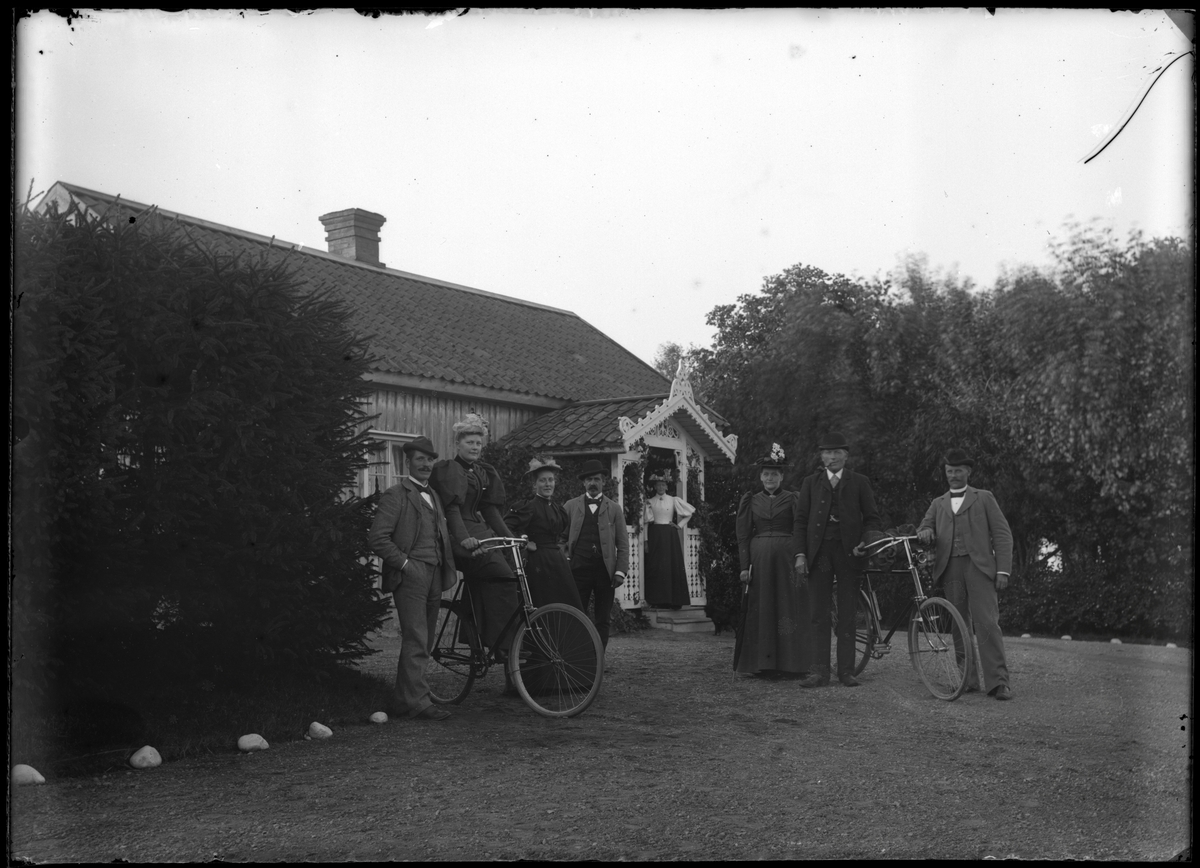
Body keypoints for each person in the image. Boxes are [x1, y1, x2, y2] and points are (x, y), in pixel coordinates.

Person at [368, 436, 459, 721]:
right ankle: (418, 702)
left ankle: (403, 700)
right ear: (408, 462)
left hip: (435, 573)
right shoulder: (396, 494)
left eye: (430, 459)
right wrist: (406, 564)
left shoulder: (434, 495)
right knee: (416, 637)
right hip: (411, 575)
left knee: (425, 639)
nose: (426, 464)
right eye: (420, 459)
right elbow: (377, 538)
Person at [916, 448, 1015, 701]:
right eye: (949, 471)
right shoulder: (938, 503)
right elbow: (925, 526)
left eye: (958, 471)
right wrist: (925, 531)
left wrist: (1003, 570)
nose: (953, 475)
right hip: (950, 568)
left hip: (980, 567)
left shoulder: (984, 498)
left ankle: (998, 682)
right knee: (958, 624)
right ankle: (966, 680)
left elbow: (1002, 534)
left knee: (987, 623)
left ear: (968, 472)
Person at [795, 432, 882, 688]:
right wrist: (800, 554)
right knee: (818, 614)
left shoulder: (859, 482)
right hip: (819, 554)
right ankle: (818, 673)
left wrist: (865, 542)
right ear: (821, 457)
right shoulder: (810, 483)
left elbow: (872, 519)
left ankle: (846, 672)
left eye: (836, 453)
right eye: (827, 453)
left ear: (845, 456)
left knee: (847, 615)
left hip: (850, 554)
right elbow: (800, 522)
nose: (831, 457)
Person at [429, 414, 518, 658]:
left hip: (480, 533)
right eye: (470, 442)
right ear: (457, 443)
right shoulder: (450, 470)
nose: (475, 447)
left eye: (479, 443)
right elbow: (452, 510)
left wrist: (510, 539)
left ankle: (479, 640)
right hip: (457, 536)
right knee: (502, 577)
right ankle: (505, 647)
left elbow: (490, 511)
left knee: (495, 579)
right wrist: (463, 540)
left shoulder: (482, 471)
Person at [734, 443, 811, 677]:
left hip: (786, 561)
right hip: (759, 562)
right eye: (766, 474)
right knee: (762, 607)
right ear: (760, 476)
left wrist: (801, 555)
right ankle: (761, 665)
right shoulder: (751, 500)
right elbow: (743, 535)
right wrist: (744, 567)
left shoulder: (793, 499)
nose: (770, 478)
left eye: (774, 475)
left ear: (782, 477)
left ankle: (791, 665)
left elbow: (802, 529)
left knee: (787, 606)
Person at [564, 459, 629, 649]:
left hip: (604, 571)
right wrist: (566, 559)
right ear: (584, 482)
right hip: (578, 569)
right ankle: (576, 655)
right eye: (589, 480)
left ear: (603, 482)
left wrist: (620, 571)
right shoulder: (570, 506)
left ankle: (598, 658)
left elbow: (623, 543)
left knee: (602, 618)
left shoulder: (614, 508)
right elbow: (560, 537)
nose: (593, 483)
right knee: (576, 614)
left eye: (597, 479)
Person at [505, 457, 583, 610]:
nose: (548, 484)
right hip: (538, 561)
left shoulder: (557, 509)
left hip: (557, 561)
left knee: (565, 603)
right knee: (542, 604)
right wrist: (524, 542)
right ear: (534, 484)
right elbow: (506, 525)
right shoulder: (529, 507)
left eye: (551, 480)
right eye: (542, 480)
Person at [642, 472, 695, 609]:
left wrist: (679, 526)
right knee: (657, 566)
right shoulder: (649, 501)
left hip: (670, 535)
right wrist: (646, 541)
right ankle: (657, 600)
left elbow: (689, 513)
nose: (661, 487)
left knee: (671, 565)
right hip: (655, 535)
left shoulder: (673, 500)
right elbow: (646, 523)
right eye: (658, 485)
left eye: (663, 485)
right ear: (655, 487)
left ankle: (674, 601)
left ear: (666, 487)